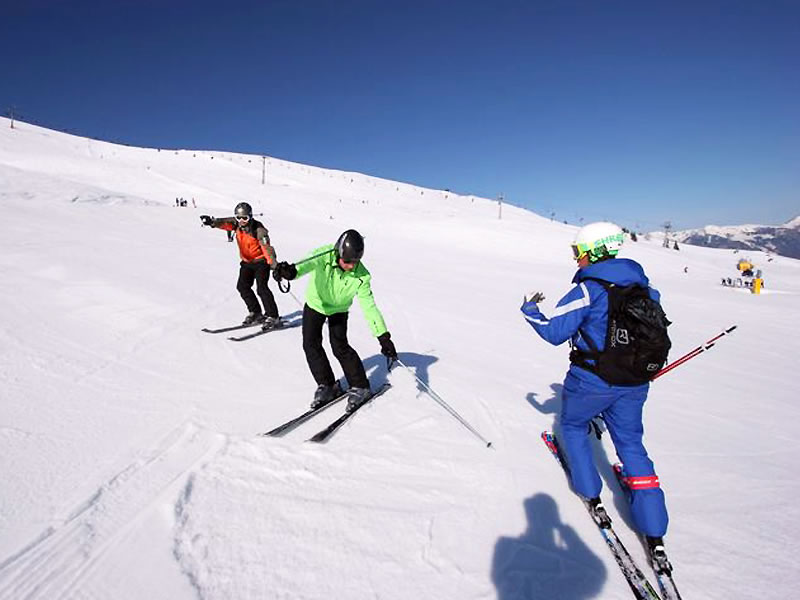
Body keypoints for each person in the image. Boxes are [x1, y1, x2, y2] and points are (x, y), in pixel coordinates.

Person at [520, 221, 671, 573]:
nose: (576, 259)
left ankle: (589, 490)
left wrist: (529, 311)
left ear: (593, 251)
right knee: (632, 446)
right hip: (635, 383)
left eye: (578, 252)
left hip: (590, 382)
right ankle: (654, 529)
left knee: (572, 426)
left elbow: (554, 333)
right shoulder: (647, 291)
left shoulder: (589, 289)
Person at [272, 229, 398, 412]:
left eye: (355, 262)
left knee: (339, 346)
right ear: (339, 253)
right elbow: (304, 266)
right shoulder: (324, 255)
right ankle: (327, 385)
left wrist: (383, 336)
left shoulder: (362, 276)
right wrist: (289, 272)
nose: (351, 266)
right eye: (347, 261)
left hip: (339, 310)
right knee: (310, 344)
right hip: (315, 304)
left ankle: (361, 386)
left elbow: (369, 307)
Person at [199, 202, 281, 327]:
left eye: (245, 218)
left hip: (261, 262)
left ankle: (273, 316)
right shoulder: (237, 224)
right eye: (239, 218)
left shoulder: (258, 229)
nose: (242, 221)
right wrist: (212, 222)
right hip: (247, 262)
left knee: (262, 289)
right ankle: (256, 312)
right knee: (242, 287)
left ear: (250, 216)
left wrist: (274, 265)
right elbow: (224, 222)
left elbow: (266, 248)